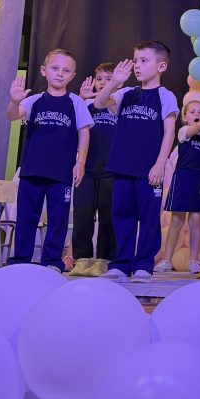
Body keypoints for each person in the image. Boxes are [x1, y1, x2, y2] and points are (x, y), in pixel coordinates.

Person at [94, 41, 178, 283]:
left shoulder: (165, 96)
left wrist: (160, 163)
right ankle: (121, 263)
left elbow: (169, 131)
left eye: (144, 60)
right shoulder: (126, 93)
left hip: (149, 170)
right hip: (122, 167)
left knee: (149, 218)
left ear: (161, 66)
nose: (137, 66)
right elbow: (99, 103)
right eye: (135, 61)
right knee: (122, 216)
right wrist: (113, 82)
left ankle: (143, 264)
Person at [6, 49, 93, 271]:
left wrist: (80, 162)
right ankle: (21, 260)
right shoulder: (34, 100)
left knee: (58, 219)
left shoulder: (75, 102)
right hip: (32, 171)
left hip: (61, 173)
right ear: (44, 71)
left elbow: (84, 132)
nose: (60, 73)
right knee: (26, 218)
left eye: (66, 70)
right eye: (55, 68)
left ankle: (52, 261)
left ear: (73, 75)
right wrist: (14, 101)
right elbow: (12, 115)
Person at [69, 62, 117, 277]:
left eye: (109, 79)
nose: (103, 83)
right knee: (82, 214)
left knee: (108, 216)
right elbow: (73, 128)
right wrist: (81, 99)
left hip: (111, 169)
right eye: (100, 79)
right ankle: (82, 258)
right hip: (86, 169)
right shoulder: (85, 104)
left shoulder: (118, 103)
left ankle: (104, 259)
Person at [155, 99, 200, 275]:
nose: (196, 114)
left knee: (196, 220)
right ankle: (166, 259)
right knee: (176, 220)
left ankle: (193, 261)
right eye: (192, 112)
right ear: (185, 117)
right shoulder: (183, 132)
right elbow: (195, 128)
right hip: (183, 179)